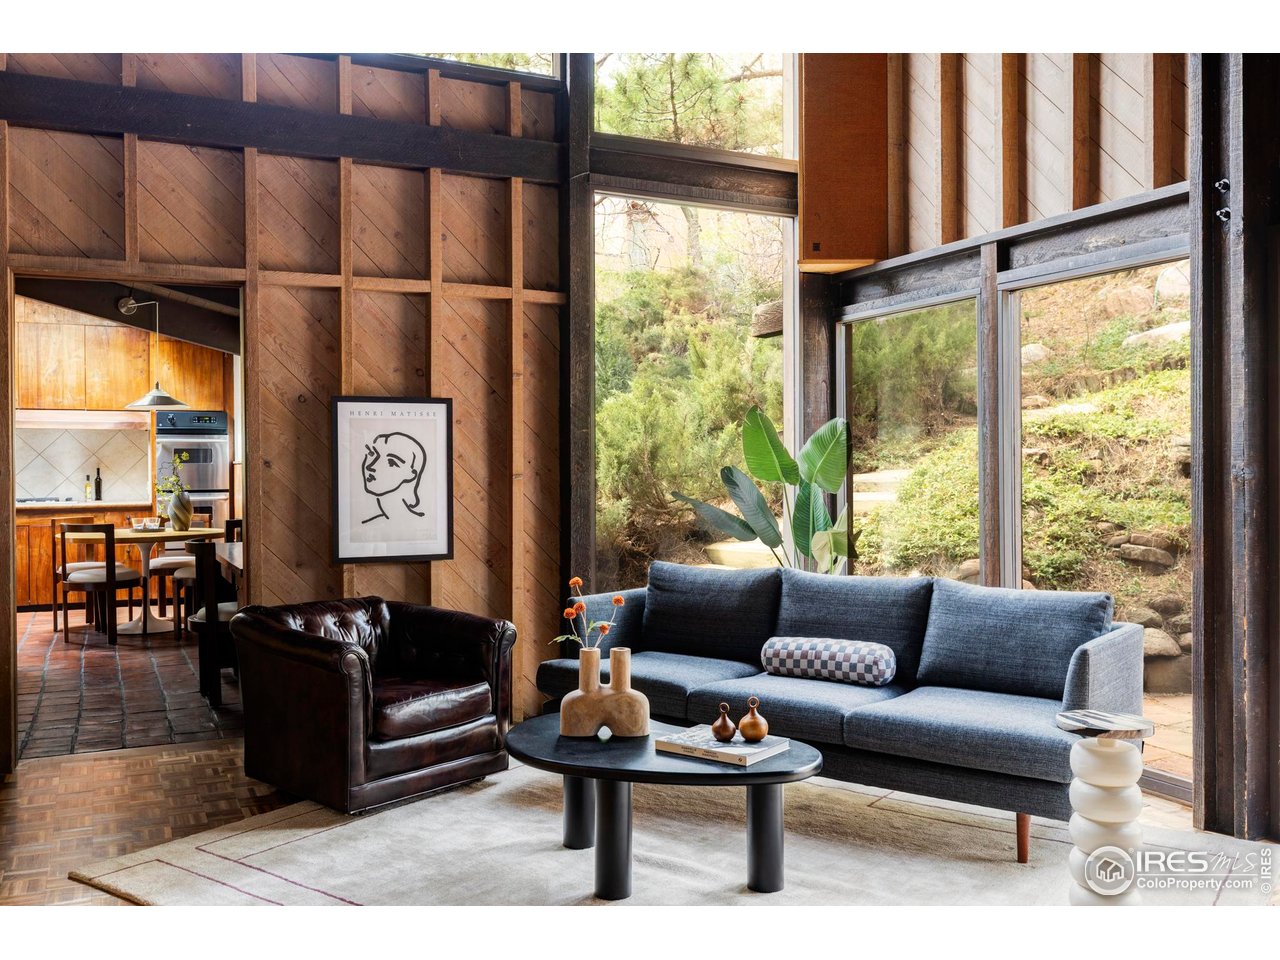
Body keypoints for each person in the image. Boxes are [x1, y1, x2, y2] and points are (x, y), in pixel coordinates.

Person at [360, 432, 428, 525]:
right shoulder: (367, 526)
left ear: (411, 475)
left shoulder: (418, 525)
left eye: (391, 462)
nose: (371, 466)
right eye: (372, 454)